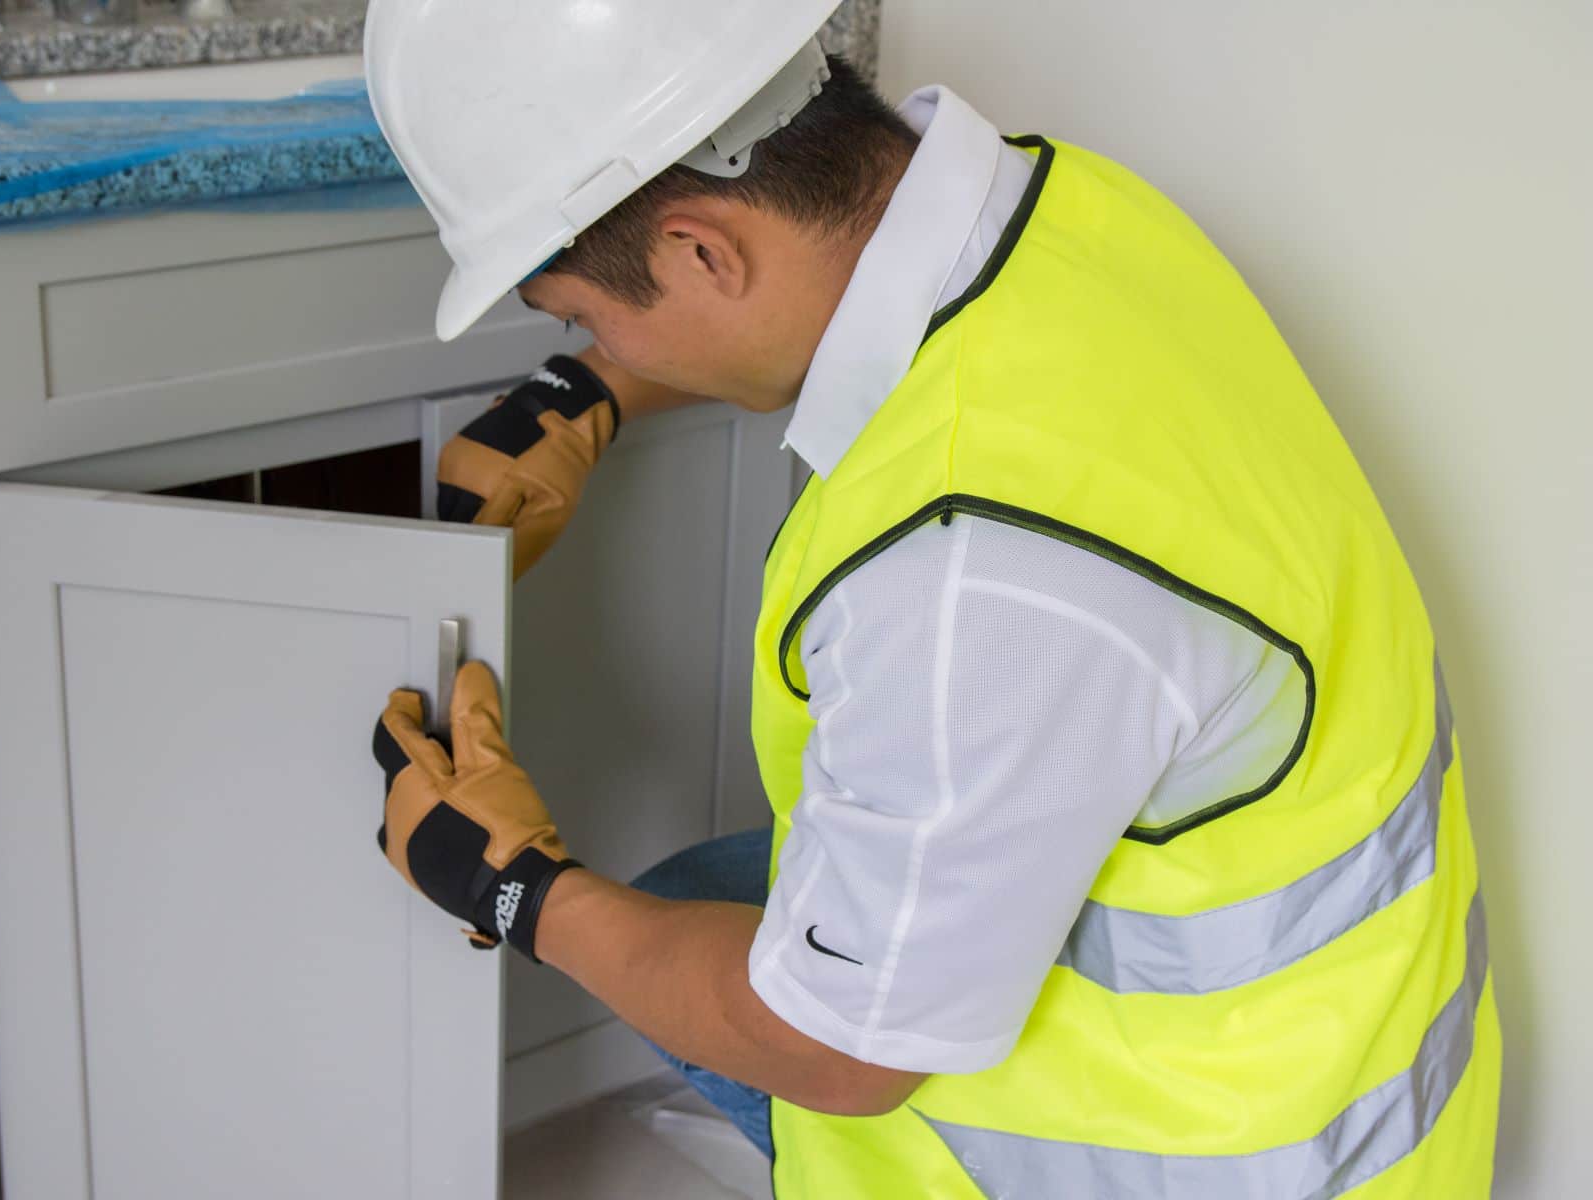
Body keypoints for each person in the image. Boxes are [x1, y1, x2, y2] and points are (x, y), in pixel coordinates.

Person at [361, 3, 1500, 1195]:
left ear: (702, 252)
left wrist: (513, 884)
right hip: (1335, 1057)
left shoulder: (978, 577)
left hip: (1200, 1157)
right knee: (696, 905)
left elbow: (833, 1050)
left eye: (589, 319)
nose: (610, 348)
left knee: (686, 951)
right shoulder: (1071, 212)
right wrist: (580, 393)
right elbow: (840, 311)